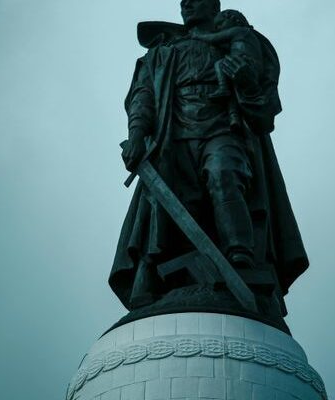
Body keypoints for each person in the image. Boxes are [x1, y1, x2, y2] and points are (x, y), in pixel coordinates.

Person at [111, 0, 309, 324]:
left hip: (224, 129)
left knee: (224, 175)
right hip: (172, 138)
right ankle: (153, 278)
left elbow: (263, 102)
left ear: (214, 4)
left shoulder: (238, 40)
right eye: (182, 1)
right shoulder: (162, 52)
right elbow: (142, 96)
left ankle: (241, 260)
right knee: (162, 204)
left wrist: (244, 81)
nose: (187, 4)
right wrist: (136, 135)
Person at [191, 9, 263, 100]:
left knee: (220, 64)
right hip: (249, 65)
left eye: (220, 24)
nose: (218, 29)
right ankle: (233, 111)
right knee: (233, 87)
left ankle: (223, 87)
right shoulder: (245, 35)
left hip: (245, 62)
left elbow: (214, 38)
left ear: (233, 19)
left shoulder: (239, 31)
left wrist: (198, 35)